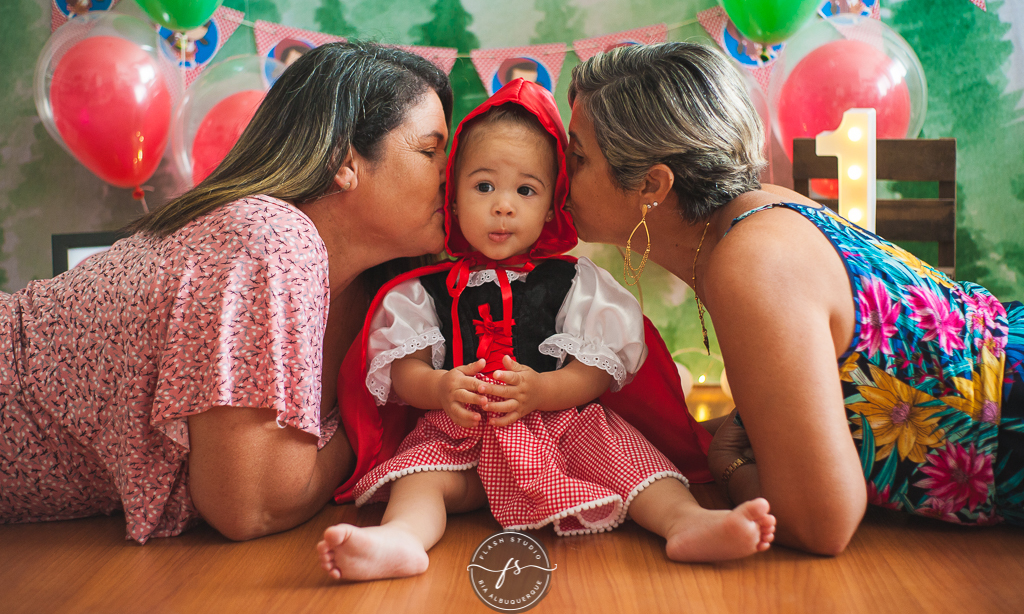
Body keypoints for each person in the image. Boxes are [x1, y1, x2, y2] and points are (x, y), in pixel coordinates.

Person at [563, 41, 1024, 556]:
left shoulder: (753, 263)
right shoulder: (765, 212)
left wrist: (731, 467)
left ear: (652, 184)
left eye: (578, 157)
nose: (560, 173)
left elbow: (819, 524)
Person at [316, 80, 776, 581]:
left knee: (636, 465)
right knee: (420, 480)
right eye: (484, 186)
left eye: (526, 190)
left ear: (553, 202)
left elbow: (597, 370)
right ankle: (402, 538)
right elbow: (402, 369)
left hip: (564, 428)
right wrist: (439, 387)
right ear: (452, 193)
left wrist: (543, 390)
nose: (503, 206)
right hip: (462, 434)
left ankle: (686, 523)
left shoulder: (576, 282)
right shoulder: (423, 291)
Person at [0, 42, 454, 544]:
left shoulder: (382, 291)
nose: (447, 174)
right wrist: (365, 425)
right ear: (344, 161)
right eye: (430, 151)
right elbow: (249, 506)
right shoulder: (271, 237)